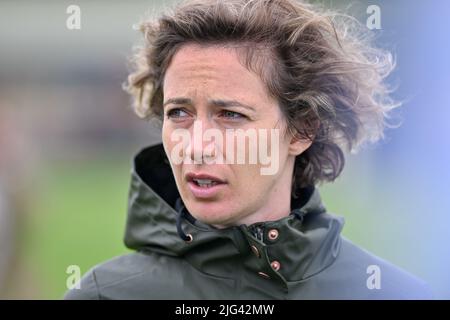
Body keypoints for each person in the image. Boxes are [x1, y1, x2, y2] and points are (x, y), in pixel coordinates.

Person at [65, 0, 431, 299]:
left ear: (302, 129)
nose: (197, 146)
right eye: (179, 113)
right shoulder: (105, 295)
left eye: (230, 115)